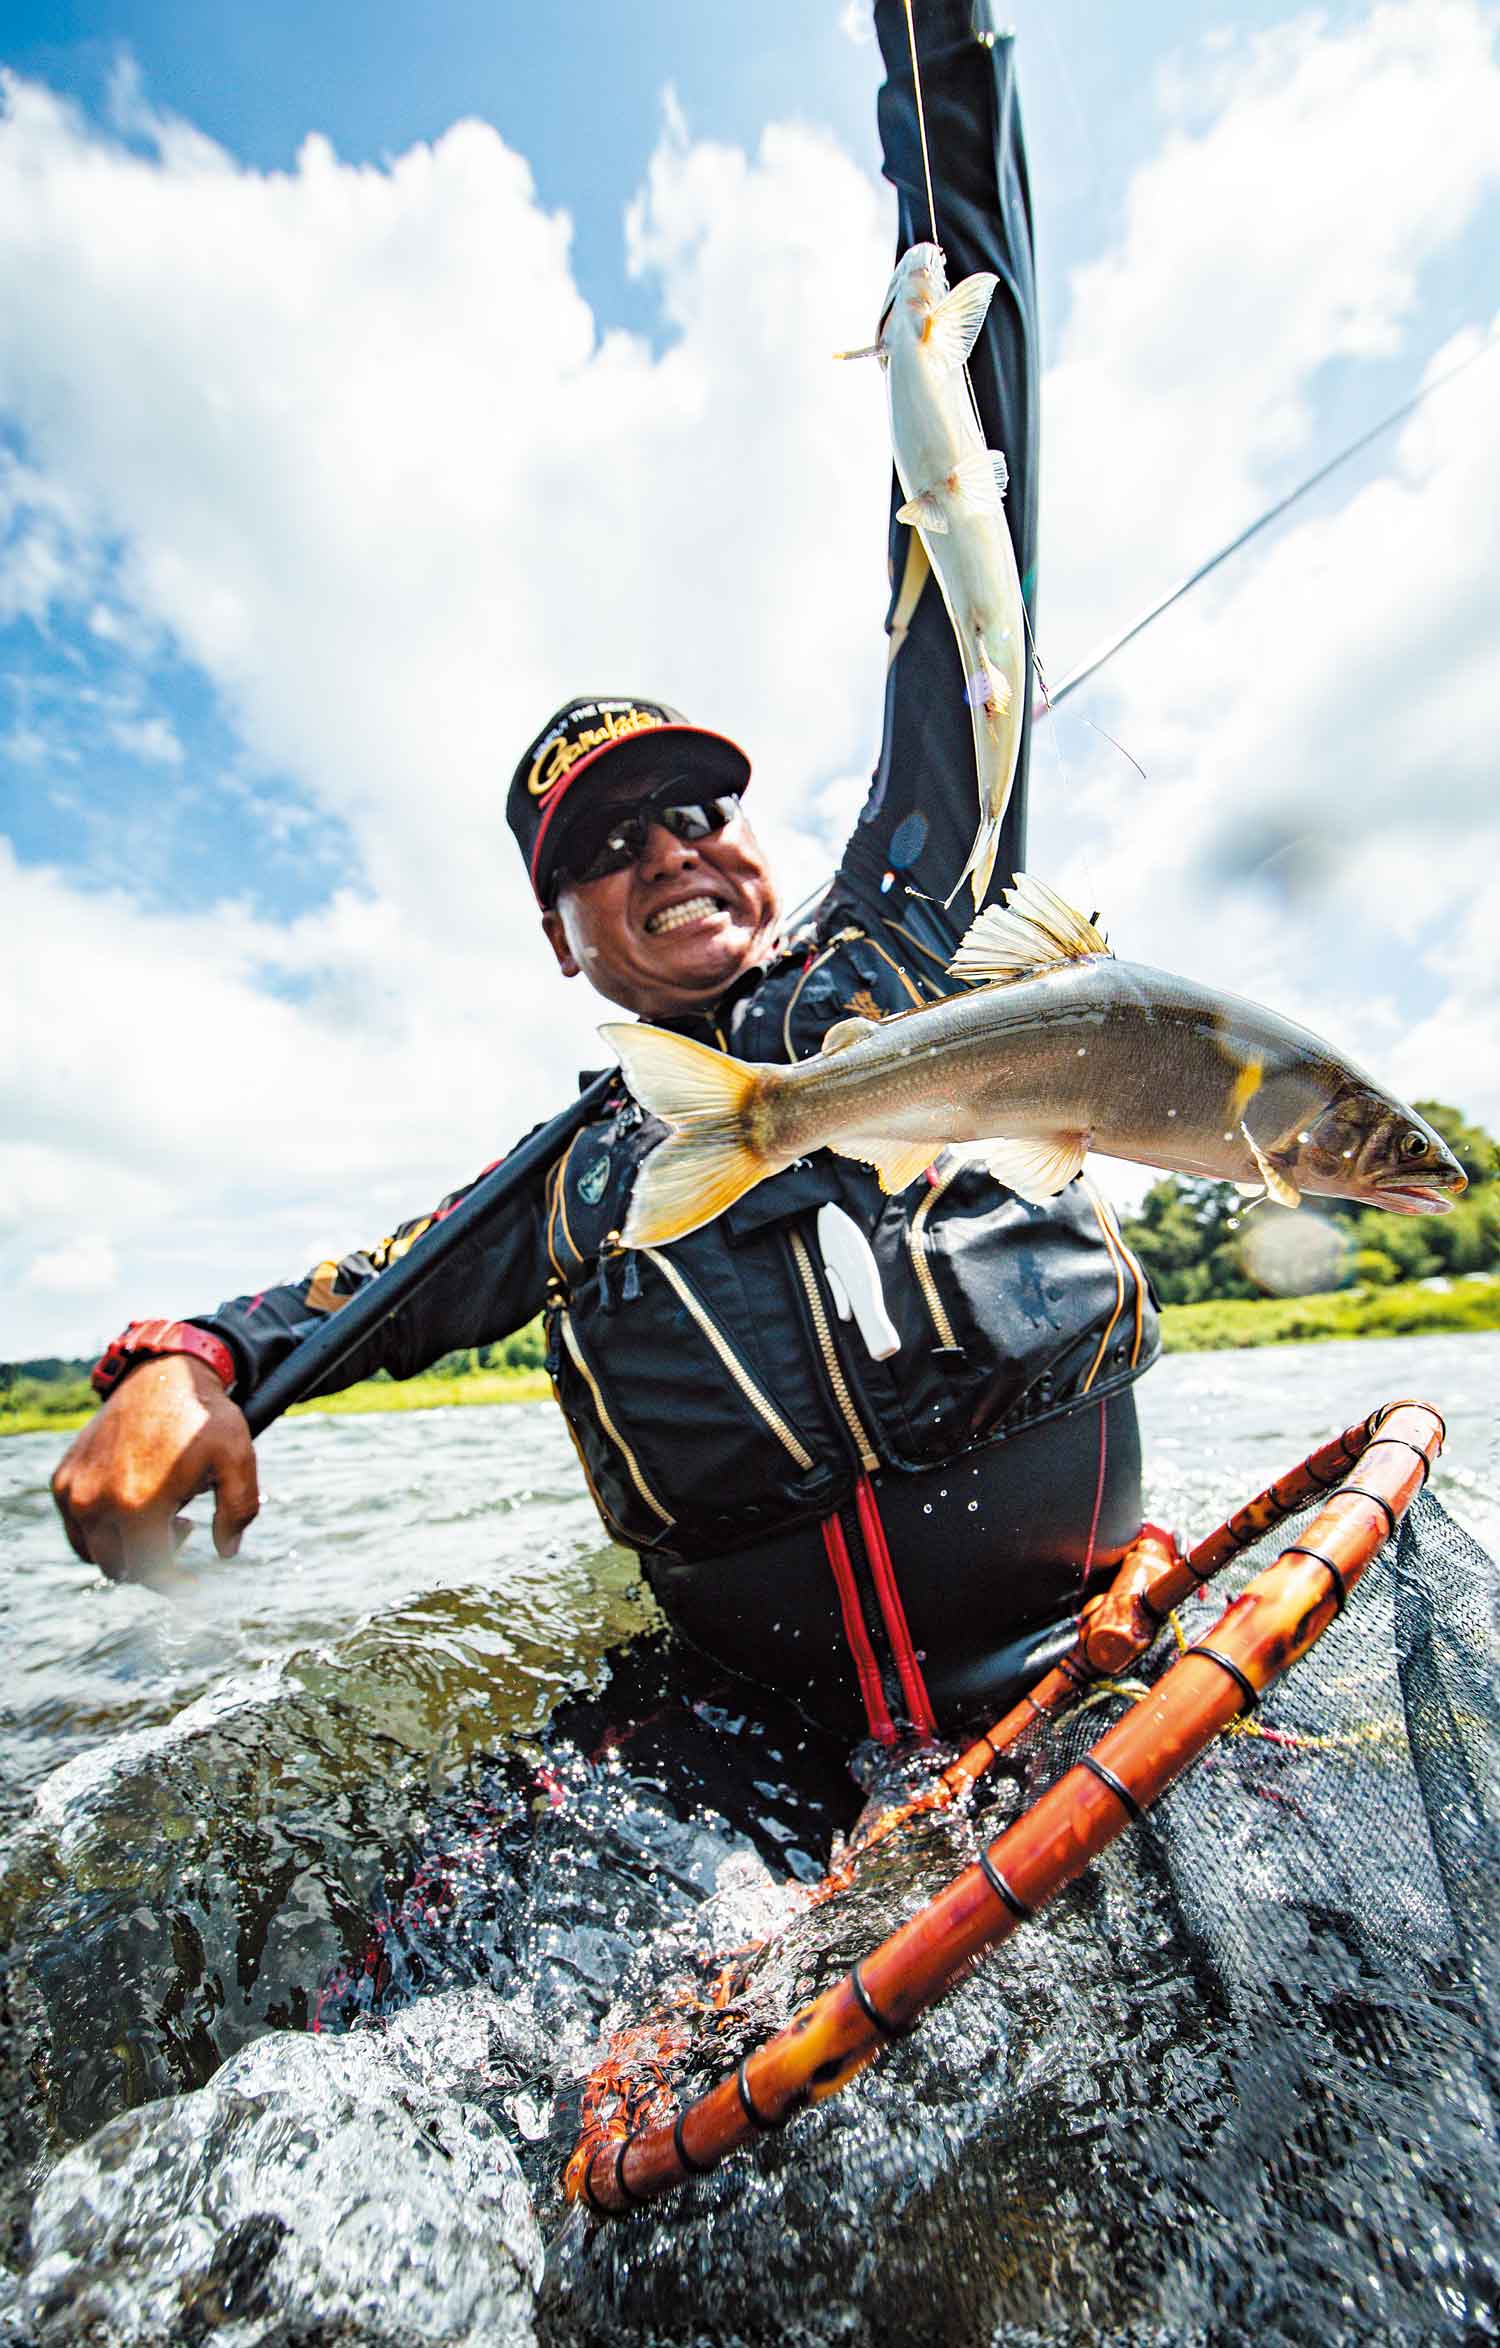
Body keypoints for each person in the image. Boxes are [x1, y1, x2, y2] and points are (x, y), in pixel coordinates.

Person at [52, 0, 1158, 1752]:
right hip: (747, 1758)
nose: (670, 856)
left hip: (1076, 1656)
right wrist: (174, 1365)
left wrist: (940, 52)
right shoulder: (568, 1185)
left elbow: (972, 509)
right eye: (607, 853)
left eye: (693, 812)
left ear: (759, 838)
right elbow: (310, 1320)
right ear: (564, 945)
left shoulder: (918, 930)